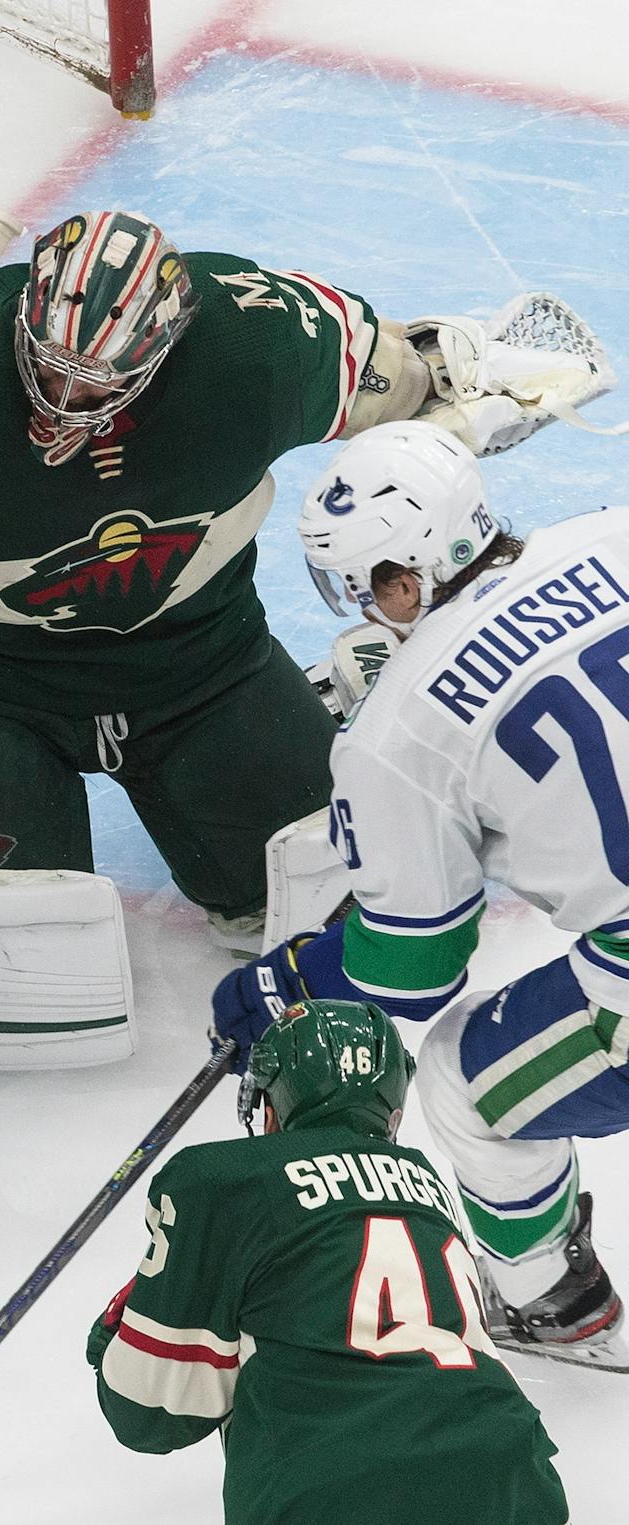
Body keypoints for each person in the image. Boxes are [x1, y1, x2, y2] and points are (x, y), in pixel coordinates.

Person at [0, 210, 591, 953]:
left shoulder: (255, 339)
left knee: (326, 900)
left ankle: (307, 708)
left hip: (202, 670)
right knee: (2, 947)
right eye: (49, 364)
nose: (62, 400)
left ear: (166, 348)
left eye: (93, 381)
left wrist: (477, 397)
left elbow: (415, 373)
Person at [212, 419, 629, 1369]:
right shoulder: (614, 532)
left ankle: (553, 1304)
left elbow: (411, 973)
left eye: (361, 587)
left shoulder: (395, 730)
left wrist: (290, 982)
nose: (363, 608)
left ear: (404, 578)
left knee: (463, 1077)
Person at [90, 997, 569, 1524]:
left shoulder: (219, 1180)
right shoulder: (426, 1186)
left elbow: (151, 1415)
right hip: (512, 1473)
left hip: (332, 1490)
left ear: (270, 1106)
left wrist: (115, 1336)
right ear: (392, 1113)